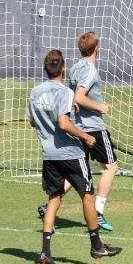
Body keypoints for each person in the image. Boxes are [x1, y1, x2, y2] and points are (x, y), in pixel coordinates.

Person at [27, 49, 121, 264]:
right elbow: (64, 124)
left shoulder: (35, 92)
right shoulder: (66, 92)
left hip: (49, 155)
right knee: (88, 196)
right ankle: (96, 245)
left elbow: (33, 121)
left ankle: (45, 253)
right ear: (63, 69)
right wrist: (87, 137)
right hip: (72, 153)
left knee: (54, 199)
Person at [37, 31, 118, 232]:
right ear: (96, 49)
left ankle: (48, 208)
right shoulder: (90, 70)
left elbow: (71, 96)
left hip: (76, 128)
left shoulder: (73, 69)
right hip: (93, 128)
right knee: (111, 167)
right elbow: (79, 98)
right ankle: (98, 211)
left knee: (77, 173)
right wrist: (100, 107)